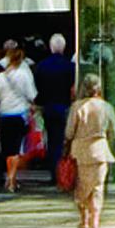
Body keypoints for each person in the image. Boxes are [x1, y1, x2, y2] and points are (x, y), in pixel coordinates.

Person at [66, 74, 115, 228]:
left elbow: (69, 132)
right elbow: (114, 132)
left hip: (80, 152)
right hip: (101, 151)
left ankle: (84, 220)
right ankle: (95, 221)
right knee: (98, 187)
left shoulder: (77, 107)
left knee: (81, 187)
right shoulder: (106, 107)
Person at [0, 41, 38, 193]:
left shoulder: (0, 76)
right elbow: (32, 95)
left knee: (7, 149)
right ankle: (11, 179)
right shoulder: (25, 74)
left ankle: (10, 178)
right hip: (20, 114)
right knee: (17, 148)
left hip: (4, 114)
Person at [34, 34, 76, 181]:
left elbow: (37, 88)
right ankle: (64, 173)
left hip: (48, 106)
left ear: (51, 48)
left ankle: (54, 172)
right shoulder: (71, 67)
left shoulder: (41, 66)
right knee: (65, 139)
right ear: (63, 48)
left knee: (52, 140)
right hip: (65, 106)